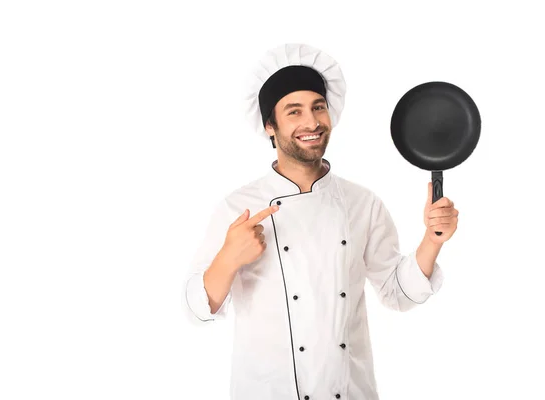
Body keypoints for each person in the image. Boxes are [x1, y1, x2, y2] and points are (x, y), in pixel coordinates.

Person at [182, 43, 458, 400]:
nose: (311, 122)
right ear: (270, 125)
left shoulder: (363, 203)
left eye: (318, 107)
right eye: (293, 112)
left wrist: (432, 240)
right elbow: (196, 310)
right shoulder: (238, 207)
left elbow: (397, 293)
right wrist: (229, 258)